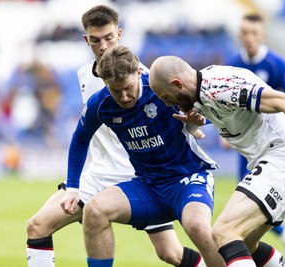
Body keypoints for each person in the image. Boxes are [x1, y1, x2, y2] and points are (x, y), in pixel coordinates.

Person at [26, 5, 205, 267]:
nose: (103, 46)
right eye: (95, 40)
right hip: (97, 176)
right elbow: (82, 135)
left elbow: (190, 111)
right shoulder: (83, 75)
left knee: (170, 253)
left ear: (119, 34)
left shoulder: (144, 77)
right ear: (86, 40)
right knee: (37, 226)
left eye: (109, 37)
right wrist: (73, 186)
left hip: (138, 176)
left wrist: (196, 126)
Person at [148, 55, 285, 267]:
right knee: (247, 243)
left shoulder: (222, 87)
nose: (166, 103)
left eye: (165, 96)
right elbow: (209, 117)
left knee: (224, 232)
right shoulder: (197, 94)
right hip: (277, 161)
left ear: (177, 84)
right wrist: (196, 124)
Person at [60, 45, 225, 267]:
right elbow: (80, 139)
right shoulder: (101, 104)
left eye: (128, 87)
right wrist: (72, 187)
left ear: (139, 72)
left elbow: (209, 113)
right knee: (94, 210)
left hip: (187, 179)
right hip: (148, 186)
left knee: (196, 227)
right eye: (115, 90)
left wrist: (196, 125)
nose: (124, 97)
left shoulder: (161, 87)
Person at [223, 12, 285, 257]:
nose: (249, 38)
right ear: (239, 35)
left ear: (263, 35)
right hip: (244, 144)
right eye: (245, 33)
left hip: (273, 144)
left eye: (254, 33)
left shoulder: (277, 65)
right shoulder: (233, 63)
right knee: (246, 198)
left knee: (260, 198)